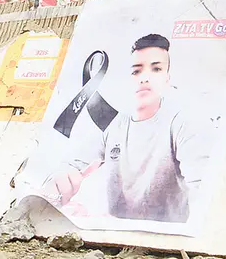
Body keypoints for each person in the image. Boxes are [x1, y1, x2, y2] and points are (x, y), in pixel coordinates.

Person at [44, 34, 210, 223]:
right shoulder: (112, 125)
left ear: (167, 78)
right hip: (114, 238)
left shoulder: (182, 122)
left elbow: (202, 184)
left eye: (156, 69)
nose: (144, 78)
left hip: (166, 240)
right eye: (136, 71)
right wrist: (64, 176)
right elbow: (75, 162)